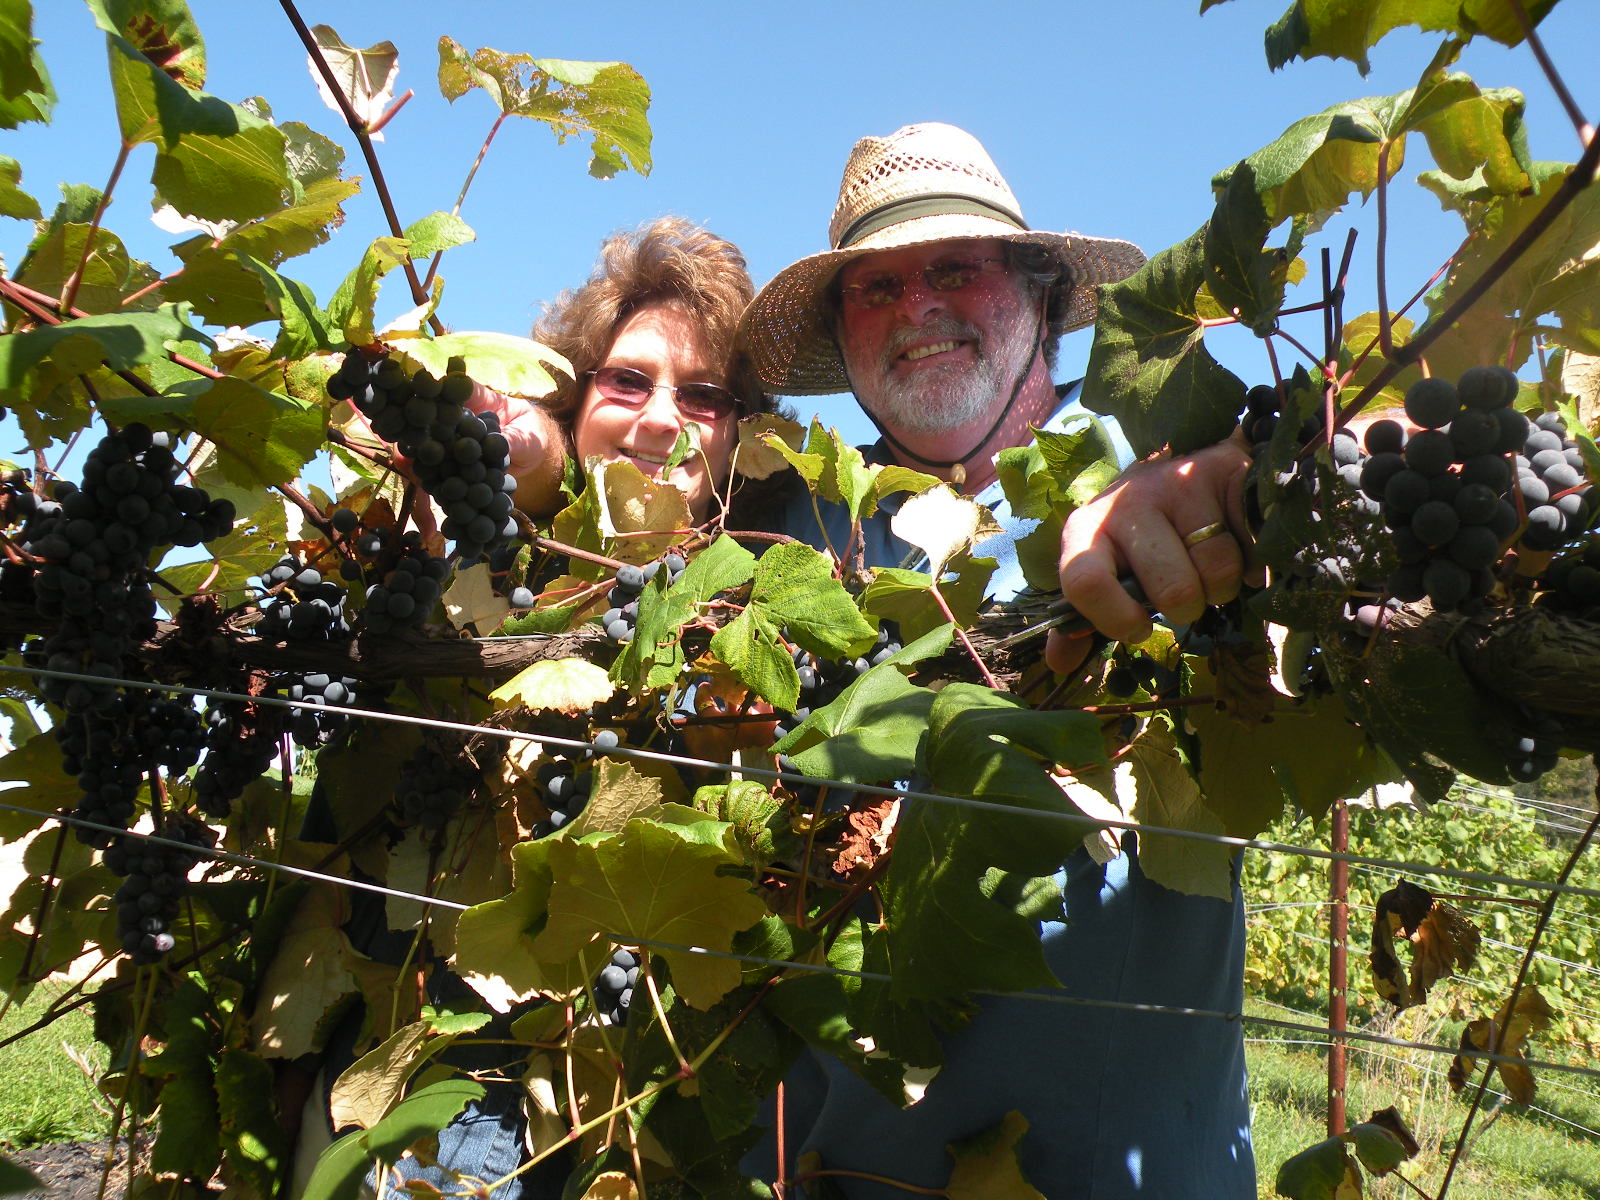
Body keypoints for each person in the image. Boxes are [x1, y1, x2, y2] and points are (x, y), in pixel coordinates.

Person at [736, 122, 1256, 1198]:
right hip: (827, 1169)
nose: (914, 308)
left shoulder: (1155, 465)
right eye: (872, 290)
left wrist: (1235, 488)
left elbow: (1358, 474)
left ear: (1038, 296)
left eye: (952, 271)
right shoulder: (782, 529)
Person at [303, 216, 777, 1200]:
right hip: (454, 1089)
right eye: (627, 380)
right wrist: (507, 469)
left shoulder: (760, 613)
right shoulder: (496, 557)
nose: (660, 418)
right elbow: (452, 606)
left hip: (651, 1103)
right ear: (573, 396)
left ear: (736, 435)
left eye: (703, 395)